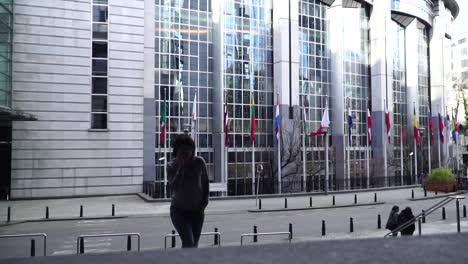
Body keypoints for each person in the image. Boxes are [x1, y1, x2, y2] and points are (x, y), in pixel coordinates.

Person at [167, 134, 209, 248]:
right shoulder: (171, 166)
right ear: (177, 151)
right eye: (182, 150)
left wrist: (204, 204)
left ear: (192, 150)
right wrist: (181, 167)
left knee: (194, 244)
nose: (186, 153)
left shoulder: (199, 162)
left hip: (197, 211)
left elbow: (205, 184)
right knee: (188, 242)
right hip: (179, 211)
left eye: (188, 150)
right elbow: (174, 187)